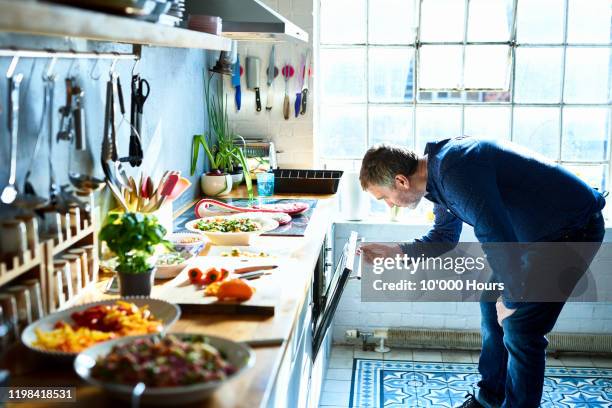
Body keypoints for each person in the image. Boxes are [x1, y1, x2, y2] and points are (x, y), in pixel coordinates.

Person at [358, 137, 606, 408]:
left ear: (401, 181)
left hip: (570, 230)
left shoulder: (455, 171)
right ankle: (488, 399)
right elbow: (444, 236)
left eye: (384, 197)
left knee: (521, 327)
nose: (389, 205)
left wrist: (512, 301)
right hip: (531, 237)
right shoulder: (438, 177)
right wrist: (397, 250)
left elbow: (497, 238)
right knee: (491, 303)